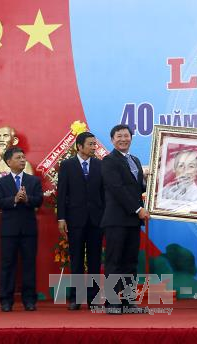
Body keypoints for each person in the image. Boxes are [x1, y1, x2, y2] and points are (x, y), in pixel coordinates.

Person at [101, 124, 149, 314]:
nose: (123, 139)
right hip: (116, 220)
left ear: (131, 138)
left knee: (130, 262)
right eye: (119, 136)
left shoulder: (135, 160)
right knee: (115, 261)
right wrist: (138, 209)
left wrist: (154, 180)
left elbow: (137, 188)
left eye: (126, 135)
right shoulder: (108, 161)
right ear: (112, 140)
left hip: (132, 221)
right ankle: (112, 302)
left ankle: (129, 302)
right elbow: (118, 189)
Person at [57, 132, 104, 310]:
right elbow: (62, 193)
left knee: (94, 259)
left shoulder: (100, 165)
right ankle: (75, 297)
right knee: (76, 259)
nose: (94, 147)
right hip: (75, 219)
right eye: (90, 144)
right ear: (79, 146)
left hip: (96, 220)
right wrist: (61, 217)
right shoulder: (67, 165)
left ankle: (93, 298)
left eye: (95, 144)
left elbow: (104, 194)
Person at [0, 147, 43, 312]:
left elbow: (39, 201)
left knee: (29, 265)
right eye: (18, 157)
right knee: (7, 265)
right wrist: (14, 199)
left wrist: (27, 199)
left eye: (23, 157)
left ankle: (29, 300)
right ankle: (6, 300)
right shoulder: (1, 183)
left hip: (29, 230)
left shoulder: (33, 181)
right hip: (9, 231)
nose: (23, 160)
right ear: (9, 162)